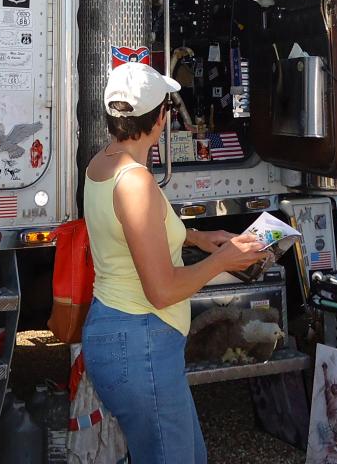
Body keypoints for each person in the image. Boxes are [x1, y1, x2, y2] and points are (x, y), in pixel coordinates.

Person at [82, 62, 268, 463]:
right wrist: (223, 259)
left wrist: (200, 238)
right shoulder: (135, 182)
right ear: (162, 119)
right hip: (140, 341)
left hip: (124, 334)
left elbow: (134, 231)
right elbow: (162, 290)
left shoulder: (104, 163)